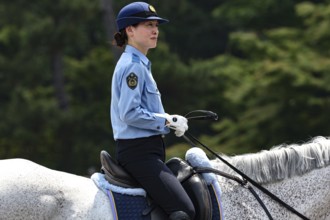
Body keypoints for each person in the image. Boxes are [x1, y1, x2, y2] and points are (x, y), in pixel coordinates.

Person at [110, 2, 195, 220]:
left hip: (148, 150)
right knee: (184, 211)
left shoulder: (139, 63)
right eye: (148, 25)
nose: (155, 30)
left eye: (156, 25)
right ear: (130, 30)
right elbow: (129, 113)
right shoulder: (133, 66)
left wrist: (166, 120)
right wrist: (166, 121)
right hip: (139, 153)